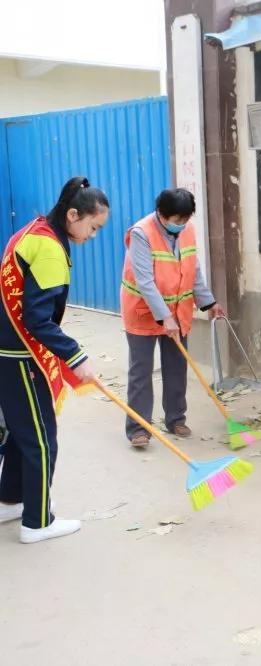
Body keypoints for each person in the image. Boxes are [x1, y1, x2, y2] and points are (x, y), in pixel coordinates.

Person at [0, 176, 106, 543]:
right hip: (19, 355)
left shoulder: (35, 229)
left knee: (21, 432)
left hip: (7, 350)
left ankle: (11, 499)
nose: (93, 235)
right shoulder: (49, 248)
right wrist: (75, 356)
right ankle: (37, 522)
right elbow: (38, 319)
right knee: (42, 439)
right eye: (93, 226)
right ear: (73, 214)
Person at [120, 188, 224, 448]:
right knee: (141, 371)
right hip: (143, 311)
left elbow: (193, 269)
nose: (181, 224)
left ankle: (176, 419)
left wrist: (209, 302)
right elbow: (145, 280)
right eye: (177, 220)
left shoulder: (187, 230)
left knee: (177, 367)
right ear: (161, 214)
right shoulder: (141, 233)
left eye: (185, 219)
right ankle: (139, 428)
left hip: (178, 311)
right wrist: (164, 317)